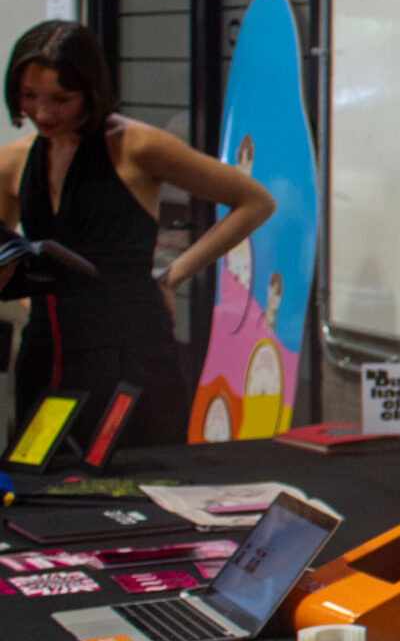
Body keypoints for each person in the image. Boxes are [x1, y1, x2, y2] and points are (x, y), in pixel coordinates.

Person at [0, 22, 273, 446]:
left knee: (143, 473)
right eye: (28, 96)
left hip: (131, 348)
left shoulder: (137, 146)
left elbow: (255, 201)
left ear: (90, 92)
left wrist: (173, 275)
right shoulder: (14, 161)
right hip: (46, 349)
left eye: (60, 99)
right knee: (40, 477)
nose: (43, 113)